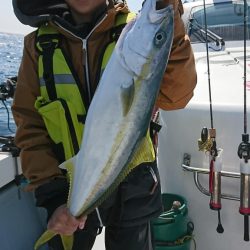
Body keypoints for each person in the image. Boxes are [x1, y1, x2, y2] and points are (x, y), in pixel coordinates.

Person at [12, 0, 197, 249]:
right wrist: (54, 197)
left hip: (134, 190)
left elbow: (178, 95)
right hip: (69, 190)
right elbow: (29, 126)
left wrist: (170, 13)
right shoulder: (38, 47)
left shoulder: (132, 28)